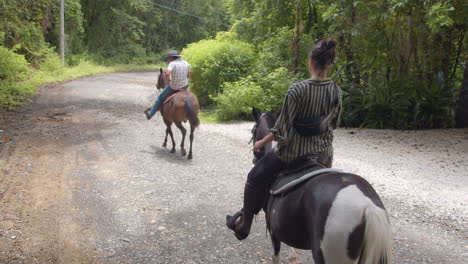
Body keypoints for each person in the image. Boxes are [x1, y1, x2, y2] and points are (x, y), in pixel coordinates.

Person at [226, 38, 342, 240]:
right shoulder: (336, 91)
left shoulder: (297, 89)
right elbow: (335, 124)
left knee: (254, 177)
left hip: (292, 153)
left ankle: (244, 224)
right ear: (330, 64)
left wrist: (261, 142)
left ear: (311, 61)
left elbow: (281, 130)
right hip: (323, 155)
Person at [144, 50, 191, 120]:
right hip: (184, 87)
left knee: (159, 98)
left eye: (168, 58)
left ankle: (150, 114)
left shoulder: (172, 63)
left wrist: (168, 80)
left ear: (171, 57)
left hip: (173, 87)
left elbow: (167, 73)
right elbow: (189, 76)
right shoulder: (186, 63)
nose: (168, 60)